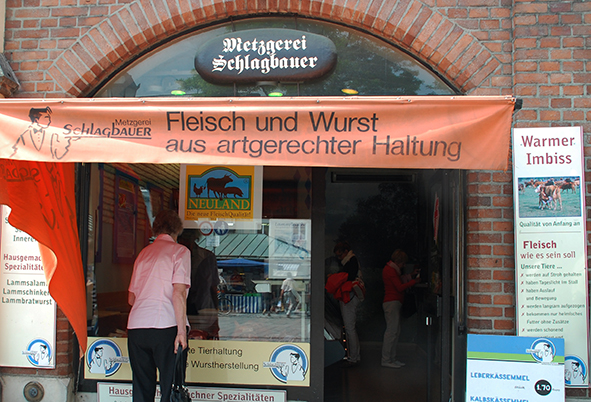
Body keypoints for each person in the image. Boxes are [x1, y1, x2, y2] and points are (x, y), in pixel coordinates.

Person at [127, 209, 191, 402]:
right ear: (177, 230)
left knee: (141, 388)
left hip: (137, 328)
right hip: (166, 326)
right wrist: (182, 331)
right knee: (170, 388)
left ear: (156, 229)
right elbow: (178, 292)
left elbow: (131, 299)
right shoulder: (180, 252)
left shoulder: (143, 254)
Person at [381, 249, 420, 369]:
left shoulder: (391, 270)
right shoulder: (391, 270)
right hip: (392, 302)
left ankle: (391, 358)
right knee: (392, 332)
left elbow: (398, 282)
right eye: (403, 263)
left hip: (392, 302)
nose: (404, 265)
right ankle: (387, 359)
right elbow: (399, 287)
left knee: (394, 331)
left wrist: (411, 276)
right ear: (399, 261)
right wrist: (413, 281)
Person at [178, 229, 220, 339]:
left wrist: (215, 314)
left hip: (202, 308)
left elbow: (213, 287)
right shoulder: (174, 255)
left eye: (187, 238)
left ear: (194, 238)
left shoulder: (207, 257)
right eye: (182, 238)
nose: (184, 241)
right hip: (179, 306)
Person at [333, 241, 362, 365]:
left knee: (350, 328)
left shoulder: (351, 262)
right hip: (350, 297)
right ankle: (355, 355)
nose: (339, 258)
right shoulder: (352, 261)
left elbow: (348, 277)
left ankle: (353, 357)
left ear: (346, 252)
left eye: (340, 255)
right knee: (350, 328)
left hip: (348, 297)